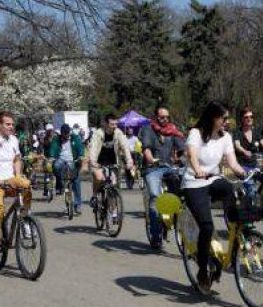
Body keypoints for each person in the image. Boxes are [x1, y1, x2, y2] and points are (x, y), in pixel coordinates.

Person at [182, 102, 246, 292]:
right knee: (207, 226)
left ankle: (237, 236)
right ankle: (202, 269)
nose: (227, 122)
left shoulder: (226, 137)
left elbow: (232, 162)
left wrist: (243, 173)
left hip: (213, 180)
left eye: (228, 118)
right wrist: (198, 170)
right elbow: (192, 155)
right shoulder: (196, 133)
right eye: (223, 118)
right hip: (194, 182)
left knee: (230, 191)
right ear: (213, 117)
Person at [0, 111, 32, 269]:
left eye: (12, 124)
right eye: (8, 124)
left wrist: (18, 175)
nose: (11, 127)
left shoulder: (14, 139)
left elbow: (17, 159)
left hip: (10, 178)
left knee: (26, 185)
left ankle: (24, 219)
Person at [140, 104, 185, 248]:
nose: (165, 119)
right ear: (156, 117)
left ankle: (172, 218)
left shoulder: (173, 130)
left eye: (167, 117)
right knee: (154, 196)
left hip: (169, 167)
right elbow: (146, 148)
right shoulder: (148, 129)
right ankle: (156, 235)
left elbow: (182, 148)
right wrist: (150, 159)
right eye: (161, 117)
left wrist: (181, 157)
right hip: (152, 168)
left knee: (181, 193)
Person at [89, 113, 133, 215]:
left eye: (116, 124)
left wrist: (129, 161)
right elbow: (93, 148)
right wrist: (92, 161)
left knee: (113, 185)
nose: (115, 126)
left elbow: (125, 147)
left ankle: (113, 211)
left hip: (112, 162)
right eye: (112, 124)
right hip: (98, 162)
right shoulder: (98, 133)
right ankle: (95, 195)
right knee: (99, 178)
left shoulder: (118, 133)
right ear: (106, 124)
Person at [233, 107, 263, 199]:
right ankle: (250, 209)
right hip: (242, 167)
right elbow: (237, 145)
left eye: (251, 117)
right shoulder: (237, 132)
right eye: (246, 117)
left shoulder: (256, 132)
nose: (249, 119)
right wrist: (244, 151)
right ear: (242, 119)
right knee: (251, 190)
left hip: (255, 166)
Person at [50, 123, 84, 215]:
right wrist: (52, 156)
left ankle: (77, 204)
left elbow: (80, 147)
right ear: (61, 133)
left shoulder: (75, 138)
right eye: (64, 134)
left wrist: (81, 155)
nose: (66, 135)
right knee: (56, 166)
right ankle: (60, 185)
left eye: (67, 133)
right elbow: (53, 148)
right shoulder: (56, 139)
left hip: (72, 160)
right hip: (61, 160)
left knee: (75, 180)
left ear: (69, 132)